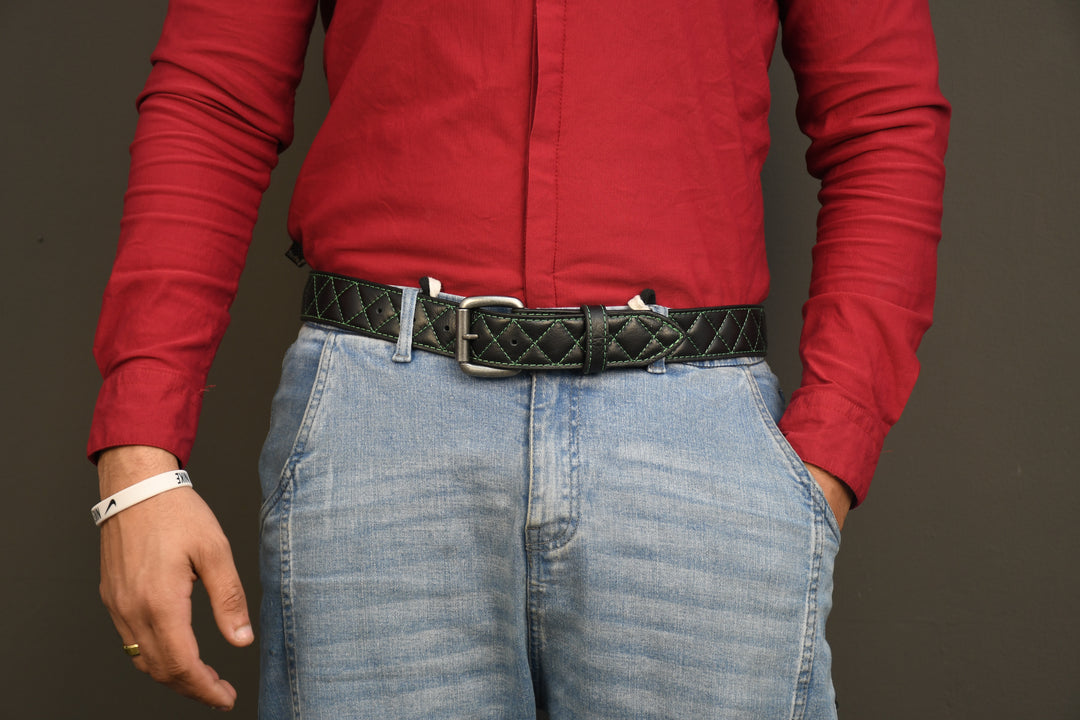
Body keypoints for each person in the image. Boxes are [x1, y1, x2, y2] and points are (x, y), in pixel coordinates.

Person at [89, 0, 949, 717]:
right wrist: (139, 456)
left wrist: (830, 449)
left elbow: (882, 116)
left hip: (701, 457)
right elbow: (215, 97)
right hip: (377, 444)